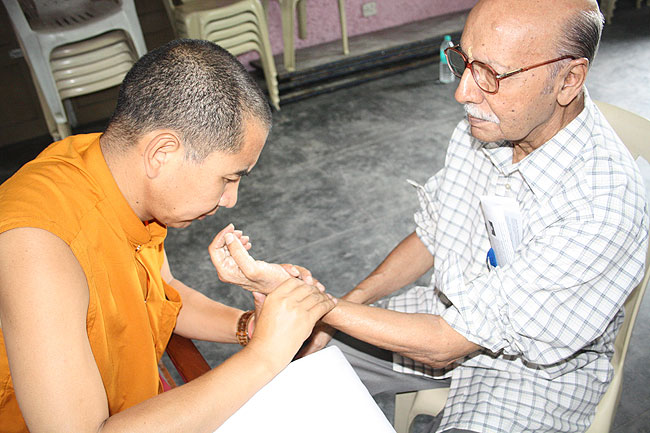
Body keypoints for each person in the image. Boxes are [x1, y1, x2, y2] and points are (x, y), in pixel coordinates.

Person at [216, 0, 649, 432]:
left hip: (536, 375)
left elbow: (444, 344)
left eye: (493, 75)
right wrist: (347, 306)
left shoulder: (603, 205)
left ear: (569, 79)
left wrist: (318, 307)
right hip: (445, 309)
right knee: (275, 370)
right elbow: (432, 234)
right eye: (464, 60)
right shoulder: (487, 127)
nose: (463, 92)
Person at [0, 39, 336, 433]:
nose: (231, 199)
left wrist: (252, 326)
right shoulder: (36, 250)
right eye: (228, 178)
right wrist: (266, 355)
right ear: (162, 152)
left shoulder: (113, 168)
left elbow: (163, 292)